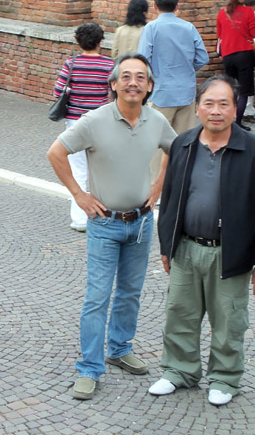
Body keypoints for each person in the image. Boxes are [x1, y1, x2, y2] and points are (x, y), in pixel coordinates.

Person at [47, 53, 177, 401]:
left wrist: (159, 184)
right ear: (114, 83)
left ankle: (119, 349)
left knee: (130, 293)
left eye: (141, 77)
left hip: (141, 223)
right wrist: (80, 195)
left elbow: (177, 149)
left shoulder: (156, 120)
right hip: (105, 224)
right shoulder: (94, 121)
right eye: (126, 76)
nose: (133, 83)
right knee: (97, 297)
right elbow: (56, 153)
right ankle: (89, 368)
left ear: (150, 86)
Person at [148, 75, 255, 406]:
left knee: (229, 320)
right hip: (187, 248)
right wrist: (167, 245)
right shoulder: (183, 144)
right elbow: (171, 197)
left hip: (231, 252)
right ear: (197, 108)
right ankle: (179, 370)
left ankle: (224, 378)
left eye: (223, 104)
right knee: (180, 314)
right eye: (209, 103)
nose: (215, 111)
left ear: (235, 109)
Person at [53, 23, 115, 232]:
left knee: (78, 171)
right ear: (100, 41)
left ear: (79, 41)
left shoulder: (71, 64)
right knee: (103, 169)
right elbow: (114, 95)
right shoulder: (109, 65)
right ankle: (105, 214)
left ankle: (80, 218)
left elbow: (58, 92)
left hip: (75, 124)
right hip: (101, 122)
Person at [137, 0, 209, 135]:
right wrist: (187, 68)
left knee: (157, 139)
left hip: (161, 91)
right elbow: (203, 57)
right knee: (184, 139)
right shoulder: (189, 27)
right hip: (186, 91)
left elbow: (142, 60)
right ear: (177, 6)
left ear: (155, 6)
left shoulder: (151, 28)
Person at [216, 0, 255, 131]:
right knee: (244, 91)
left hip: (228, 55)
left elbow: (220, 34)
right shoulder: (248, 12)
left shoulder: (222, 12)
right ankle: (237, 123)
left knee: (231, 89)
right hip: (244, 55)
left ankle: (228, 120)